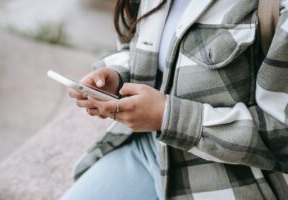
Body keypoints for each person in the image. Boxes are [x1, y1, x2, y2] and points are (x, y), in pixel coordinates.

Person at [61, 0, 288, 199]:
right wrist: (117, 77)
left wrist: (169, 117)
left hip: (232, 181)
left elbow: (282, 135)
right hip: (147, 151)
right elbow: (134, 45)